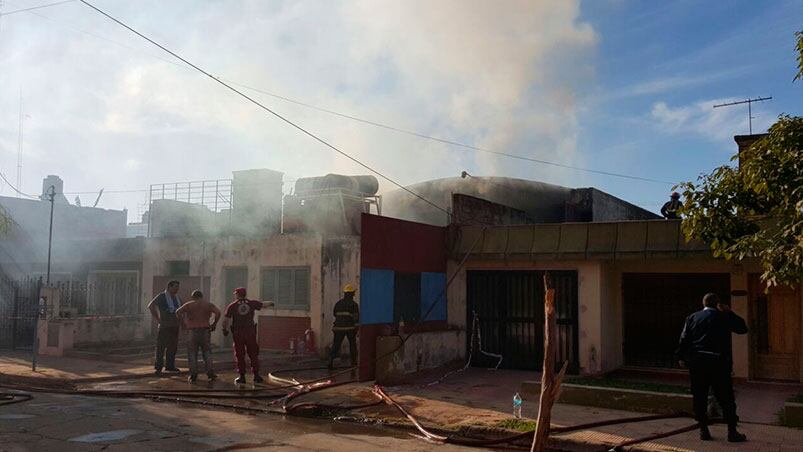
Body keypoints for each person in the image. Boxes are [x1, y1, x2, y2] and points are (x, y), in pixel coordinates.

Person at [676, 293, 748, 442]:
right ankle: (732, 432)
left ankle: (703, 430)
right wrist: (729, 312)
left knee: (699, 396)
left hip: (698, 363)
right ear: (718, 304)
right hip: (718, 363)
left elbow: (684, 338)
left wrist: (681, 356)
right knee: (726, 397)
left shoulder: (692, 317)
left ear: (703, 304)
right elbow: (742, 328)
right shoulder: (724, 317)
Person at [222, 287, 274, 384]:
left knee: (240, 354)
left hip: (238, 333)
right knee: (253, 354)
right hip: (250, 332)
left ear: (237, 294)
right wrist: (271, 303)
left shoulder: (232, 306)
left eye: (235, 294)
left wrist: (224, 330)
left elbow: (226, 320)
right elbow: (263, 305)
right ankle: (256, 375)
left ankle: (242, 376)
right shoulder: (251, 303)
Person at [175, 289, 221, 383]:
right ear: (201, 296)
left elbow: (178, 312)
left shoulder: (189, 304)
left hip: (192, 330)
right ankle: (210, 373)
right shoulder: (208, 304)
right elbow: (218, 312)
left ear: (193, 297)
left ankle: (193, 375)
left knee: (192, 353)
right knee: (207, 352)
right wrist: (214, 323)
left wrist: (183, 323)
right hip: (205, 330)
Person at [148, 280, 183, 375]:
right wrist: (157, 318)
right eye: (175, 287)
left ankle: (170, 366)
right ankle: (158, 367)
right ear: (169, 287)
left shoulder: (177, 298)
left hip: (175, 326)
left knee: (173, 347)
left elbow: (181, 310)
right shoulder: (162, 296)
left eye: (178, 287)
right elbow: (151, 306)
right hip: (164, 326)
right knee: (161, 347)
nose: (177, 289)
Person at [328, 284, 359, 369]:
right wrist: (357, 329)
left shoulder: (338, 303)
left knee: (336, 345)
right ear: (352, 294)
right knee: (352, 345)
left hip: (338, 328)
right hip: (350, 328)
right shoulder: (354, 304)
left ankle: (330, 361)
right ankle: (354, 362)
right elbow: (356, 318)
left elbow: (335, 314)